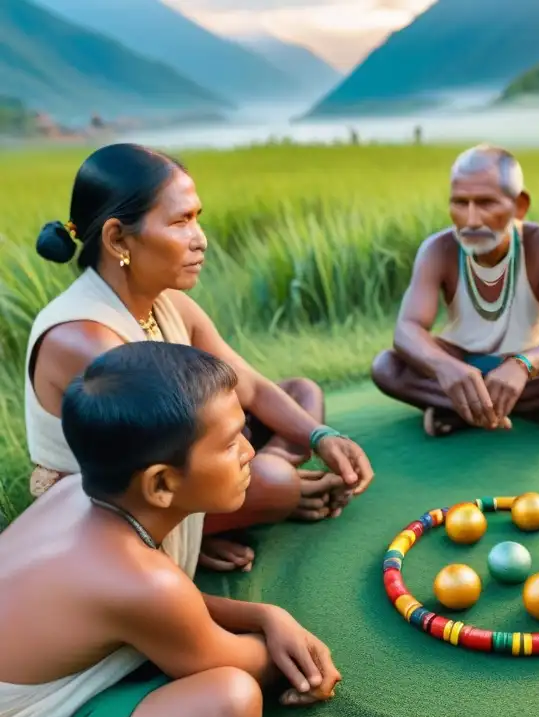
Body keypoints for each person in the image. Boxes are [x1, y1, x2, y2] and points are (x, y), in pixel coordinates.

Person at [27, 143, 373, 574]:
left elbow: (248, 384)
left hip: (182, 450)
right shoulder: (86, 340)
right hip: (120, 508)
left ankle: (249, 497)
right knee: (276, 483)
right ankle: (243, 506)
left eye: (197, 218)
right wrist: (259, 492)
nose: (200, 240)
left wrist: (322, 437)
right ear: (118, 238)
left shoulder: (166, 301)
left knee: (301, 393)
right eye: (180, 221)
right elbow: (158, 477)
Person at [0, 342, 342, 717]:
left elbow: (168, 610)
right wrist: (289, 648)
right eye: (231, 443)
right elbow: (250, 661)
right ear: (160, 485)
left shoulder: (74, 493)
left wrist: (266, 615)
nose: (249, 452)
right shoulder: (143, 582)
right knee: (229, 706)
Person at [371, 144, 539, 436]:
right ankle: (531, 409)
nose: (471, 220)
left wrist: (524, 365)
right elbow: (407, 329)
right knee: (386, 368)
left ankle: (460, 411)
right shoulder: (437, 249)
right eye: (460, 203)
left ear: (519, 205)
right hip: (462, 361)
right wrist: (445, 367)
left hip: (533, 370)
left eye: (485, 203)